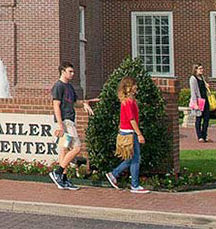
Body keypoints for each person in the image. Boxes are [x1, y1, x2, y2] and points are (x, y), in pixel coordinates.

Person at [49, 62, 97, 190]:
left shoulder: (69, 87)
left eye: (73, 71)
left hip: (70, 120)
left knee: (64, 150)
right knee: (77, 148)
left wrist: (84, 104)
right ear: (63, 71)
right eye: (70, 71)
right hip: (65, 122)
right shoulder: (58, 86)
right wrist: (60, 125)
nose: (72, 74)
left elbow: (75, 103)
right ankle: (57, 172)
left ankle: (63, 179)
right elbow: (56, 106)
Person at [104, 77, 150, 193]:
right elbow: (132, 119)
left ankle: (113, 174)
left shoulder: (130, 101)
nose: (136, 87)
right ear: (129, 87)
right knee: (135, 158)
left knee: (132, 158)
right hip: (130, 133)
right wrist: (139, 134)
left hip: (127, 132)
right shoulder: (128, 102)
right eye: (134, 85)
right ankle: (134, 185)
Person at [189, 63, 212, 143]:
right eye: (200, 68)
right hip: (199, 100)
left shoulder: (202, 77)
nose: (202, 70)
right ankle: (200, 136)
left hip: (205, 99)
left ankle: (204, 135)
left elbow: (204, 87)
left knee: (206, 118)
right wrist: (195, 104)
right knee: (199, 118)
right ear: (195, 69)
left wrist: (207, 86)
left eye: (202, 68)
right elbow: (193, 91)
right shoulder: (193, 78)